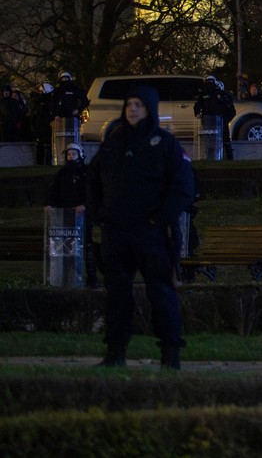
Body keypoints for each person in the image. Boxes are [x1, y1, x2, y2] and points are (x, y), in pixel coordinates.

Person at [87, 86, 196, 369]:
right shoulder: (113, 142)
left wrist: (163, 218)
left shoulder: (165, 143)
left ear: (150, 108)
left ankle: (170, 354)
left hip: (151, 234)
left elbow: (183, 186)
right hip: (116, 233)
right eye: (128, 104)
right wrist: (98, 212)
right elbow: (92, 178)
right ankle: (115, 353)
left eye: (138, 104)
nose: (132, 109)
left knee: (160, 293)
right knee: (117, 296)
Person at [193, 75, 236, 160]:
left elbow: (197, 106)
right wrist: (226, 119)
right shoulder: (218, 93)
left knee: (210, 140)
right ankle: (227, 158)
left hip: (212, 122)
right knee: (222, 140)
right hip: (217, 121)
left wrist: (198, 114)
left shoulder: (205, 93)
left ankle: (212, 158)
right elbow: (231, 109)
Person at [47, 143, 89, 210]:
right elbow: (55, 189)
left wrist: (85, 205)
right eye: (69, 154)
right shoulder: (63, 172)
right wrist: (50, 204)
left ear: (80, 155)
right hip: (64, 210)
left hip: (81, 211)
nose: (71, 156)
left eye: (73, 154)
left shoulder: (85, 172)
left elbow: (92, 192)